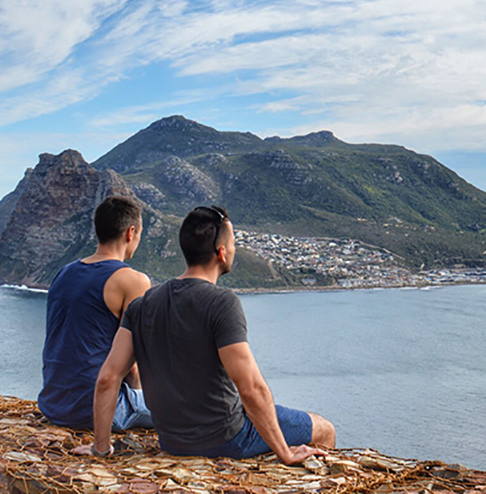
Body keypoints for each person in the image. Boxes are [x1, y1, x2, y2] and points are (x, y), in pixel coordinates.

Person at [86, 205, 335, 463]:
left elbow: (108, 378)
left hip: (171, 439)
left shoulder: (142, 305)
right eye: (234, 244)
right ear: (221, 253)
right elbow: (250, 388)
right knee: (324, 429)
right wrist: (285, 452)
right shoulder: (222, 303)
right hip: (227, 438)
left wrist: (100, 449)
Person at [38, 195, 153, 431]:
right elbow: (131, 361)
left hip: (53, 403)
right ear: (131, 233)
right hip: (101, 410)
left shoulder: (64, 272)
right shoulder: (133, 281)